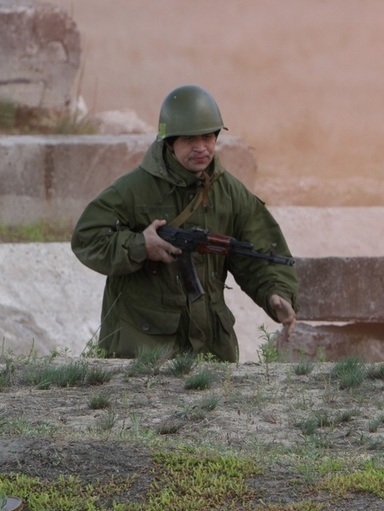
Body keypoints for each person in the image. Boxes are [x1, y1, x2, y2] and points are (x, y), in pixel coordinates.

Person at [71, 84, 299, 363]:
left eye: (208, 137)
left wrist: (276, 292)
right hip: (141, 347)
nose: (201, 148)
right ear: (169, 141)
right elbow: (87, 238)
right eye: (190, 140)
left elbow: (257, 250)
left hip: (210, 348)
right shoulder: (134, 189)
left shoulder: (230, 193)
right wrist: (140, 246)